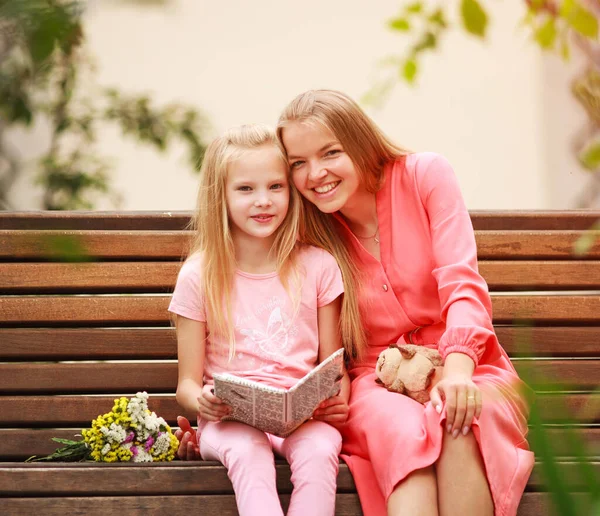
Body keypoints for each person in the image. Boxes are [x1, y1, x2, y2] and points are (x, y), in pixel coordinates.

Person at [177, 92, 534, 516]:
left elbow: (462, 283)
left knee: (456, 418)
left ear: (359, 142)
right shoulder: (312, 224)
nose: (316, 174)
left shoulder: (425, 175)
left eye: (330, 153)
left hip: (465, 364)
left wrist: (457, 374)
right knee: (401, 432)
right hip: (374, 379)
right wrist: (214, 424)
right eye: (298, 164)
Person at [169, 124, 353, 516]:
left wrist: (337, 402)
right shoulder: (200, 275)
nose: (263, 201)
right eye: (246, 189)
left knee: (321, 451)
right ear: (221, 196)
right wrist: (203, 401)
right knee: (249, 452)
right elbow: (187, 384)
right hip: (230, 422)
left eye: (275, 186)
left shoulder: (318, 266)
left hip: (301, 417)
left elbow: (334, 369)